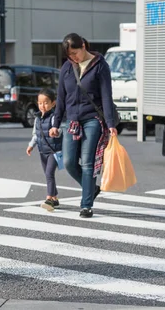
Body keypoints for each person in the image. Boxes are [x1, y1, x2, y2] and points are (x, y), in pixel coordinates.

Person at [49, 33, 118, 218]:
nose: (73, 57)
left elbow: (106, 96)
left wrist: (110, 123)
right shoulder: (67, 67)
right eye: (69, 55)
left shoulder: (100, 65)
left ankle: (86, 205)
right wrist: (55, 122)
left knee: (88, 163)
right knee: (69, 162)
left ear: (83, 46)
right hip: (71, 121)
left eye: (75, 53)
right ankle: (91, 188)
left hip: (92, 119)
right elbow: (61, 98)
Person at [26, 88, 62, 211]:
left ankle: (49, 199)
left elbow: (60, 129)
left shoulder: (54, 118)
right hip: (42, 151)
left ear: (53, 103)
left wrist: (56, 132)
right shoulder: (37, 119)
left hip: (54, 151)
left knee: (49, 174)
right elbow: (36, 135)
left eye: (46, 102)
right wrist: (31, 146)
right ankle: (55, 198)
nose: (43, 106)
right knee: (48, 174)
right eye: (40, 103)